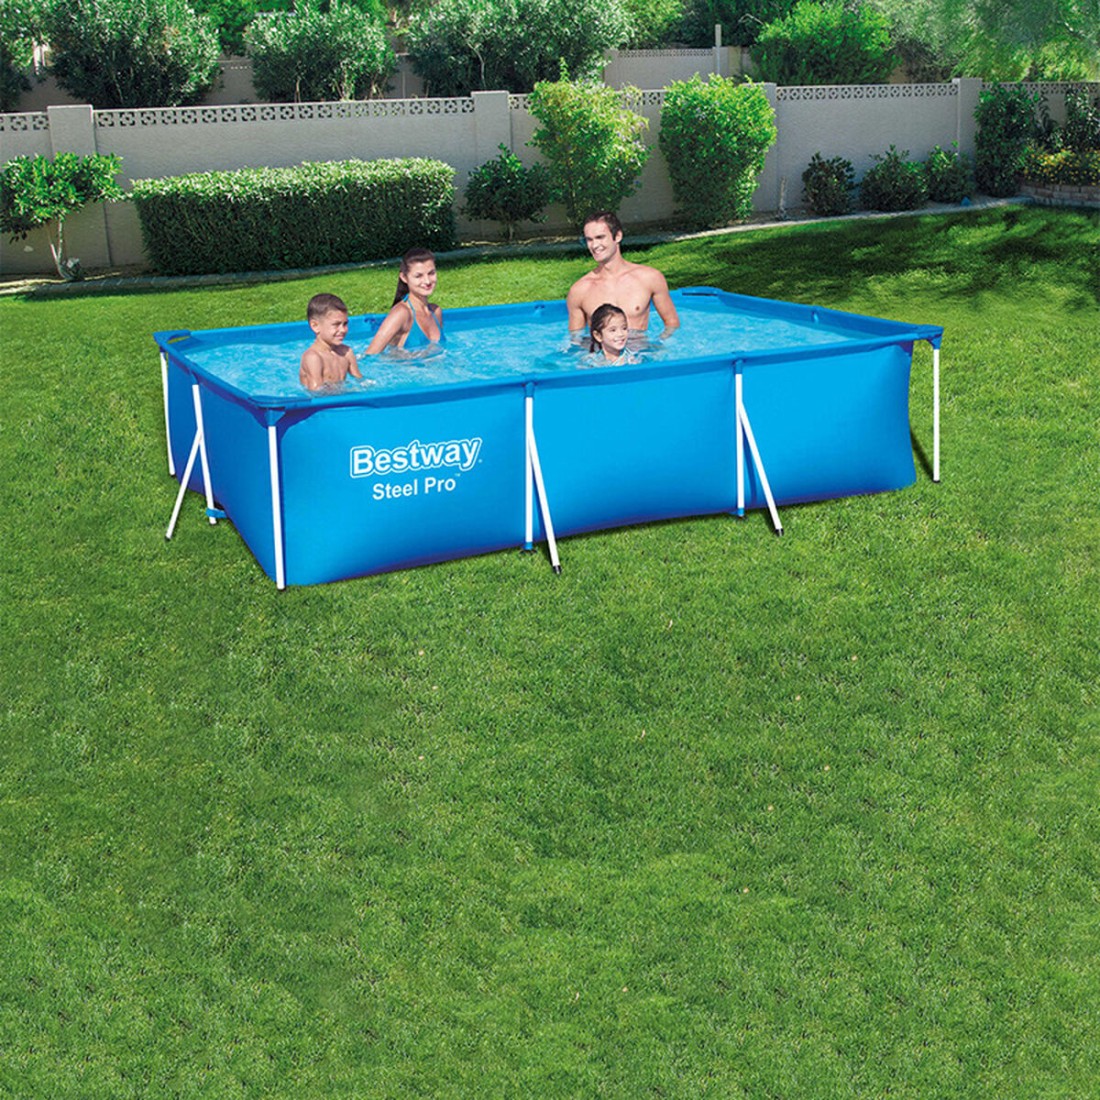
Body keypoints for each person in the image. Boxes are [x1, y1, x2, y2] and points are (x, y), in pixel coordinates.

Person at [566, 211, 679, 345]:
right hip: (602, 356)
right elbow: (576, 339)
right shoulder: (579, 290)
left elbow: (672, 323)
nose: (594, 245)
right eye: (589, 240)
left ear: (618, 236)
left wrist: (656, 348)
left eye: (600, 237)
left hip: (640, 353)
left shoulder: (650, 278)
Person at [363, 247, 444, 355]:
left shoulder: (436, 312)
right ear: (404, 277)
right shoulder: (401, 314)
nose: (427, 281)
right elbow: (370, 355)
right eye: (418, 276)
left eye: (431, 273)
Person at [299, 293, 363, 391]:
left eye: (345, 324)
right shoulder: (313, 357)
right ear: (315, 326)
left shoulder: (346, 352)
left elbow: (360, 381)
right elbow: (316, 392)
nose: (343, 330)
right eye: (336, 324)